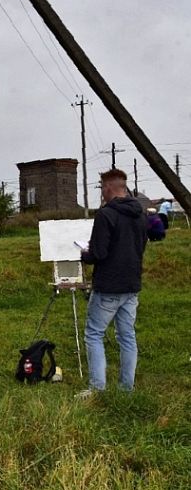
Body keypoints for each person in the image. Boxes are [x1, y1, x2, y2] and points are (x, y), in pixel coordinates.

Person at [78, 169, 147, 399]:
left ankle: (97, 388)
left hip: (108, 286)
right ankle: (127, 388)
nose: (102, 193)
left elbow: (98, 253)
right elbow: (140, 246)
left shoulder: (106, 215)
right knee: (127, 336)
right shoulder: (140, 213)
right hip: (132, 284)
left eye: (101, 188)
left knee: (94, 334)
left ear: (107, 187)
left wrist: (84, 254)